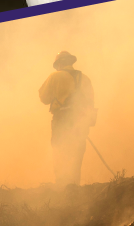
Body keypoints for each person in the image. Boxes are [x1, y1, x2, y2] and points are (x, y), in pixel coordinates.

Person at [38, 51, 97, 186]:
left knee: (60, 151)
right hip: (80, 121)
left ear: (59, 64)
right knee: (77, 152)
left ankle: (62, 186)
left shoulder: (55, 76)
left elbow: (43, 98)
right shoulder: (85, 78)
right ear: (71, 62)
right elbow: (90, 102)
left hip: (61, 120)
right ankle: (74, 186)